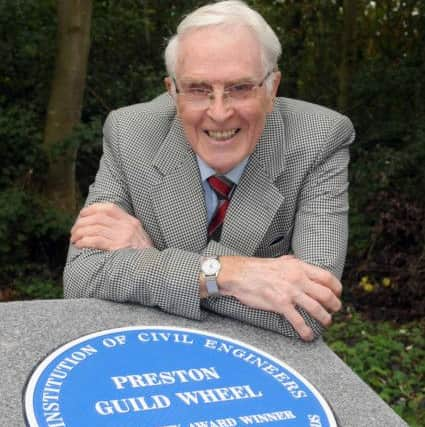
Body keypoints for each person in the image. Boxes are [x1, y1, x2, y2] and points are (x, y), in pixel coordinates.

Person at [64, 0, 355, 341]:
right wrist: (229, 274)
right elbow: (82, 276)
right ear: (173, 91)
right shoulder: (130, 132)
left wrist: (151, 259)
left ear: (272, 88)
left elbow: (309, 311)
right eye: (199, 90)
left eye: (240, 88)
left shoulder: (320, 138)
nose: (219, 113)